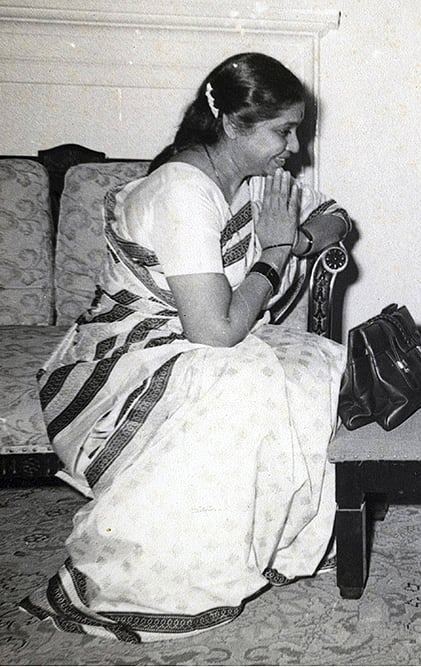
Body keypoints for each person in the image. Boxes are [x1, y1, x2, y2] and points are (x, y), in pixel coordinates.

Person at [20, 52, 353, 641]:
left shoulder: (249, 180)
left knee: (318, 365)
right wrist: (277, 252)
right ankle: (154, 577)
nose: (295, 147)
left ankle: (268, 545)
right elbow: (216, 332)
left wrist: (301, 237)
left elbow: (334, 216)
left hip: (194, 341)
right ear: (231, 124)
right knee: (245, 382)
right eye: (283, 131)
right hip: (125, 362)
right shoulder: (181, 191)